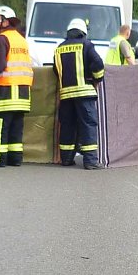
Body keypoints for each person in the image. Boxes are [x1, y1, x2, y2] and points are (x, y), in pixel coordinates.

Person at [0, 6, 34, 167]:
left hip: (7, 91)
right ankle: (15, 158)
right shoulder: (21, 39)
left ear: (5, 22)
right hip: (23, 93)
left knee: (0, 127)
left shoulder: (3, 39)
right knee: (16, 128)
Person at [53, 18, 106, 170]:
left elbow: (56, 71)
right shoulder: (86, 45)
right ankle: (90, 161)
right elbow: (98, 64)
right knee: (88, 124)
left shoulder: (59, 49)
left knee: (67, 125)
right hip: (84, 92)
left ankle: (66, 159)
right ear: (83, 32)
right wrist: (97, 78)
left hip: (65, 95)